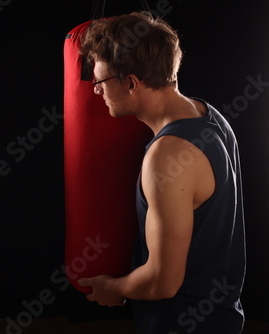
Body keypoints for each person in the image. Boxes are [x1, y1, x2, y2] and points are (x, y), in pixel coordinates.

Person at [76, 12, 246, 334]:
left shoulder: (167, 156)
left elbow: (163, 281)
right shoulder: (210, 116)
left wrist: (115, 289)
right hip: (221, 319)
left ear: (130, 83)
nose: (96, 91)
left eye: (99, 82)